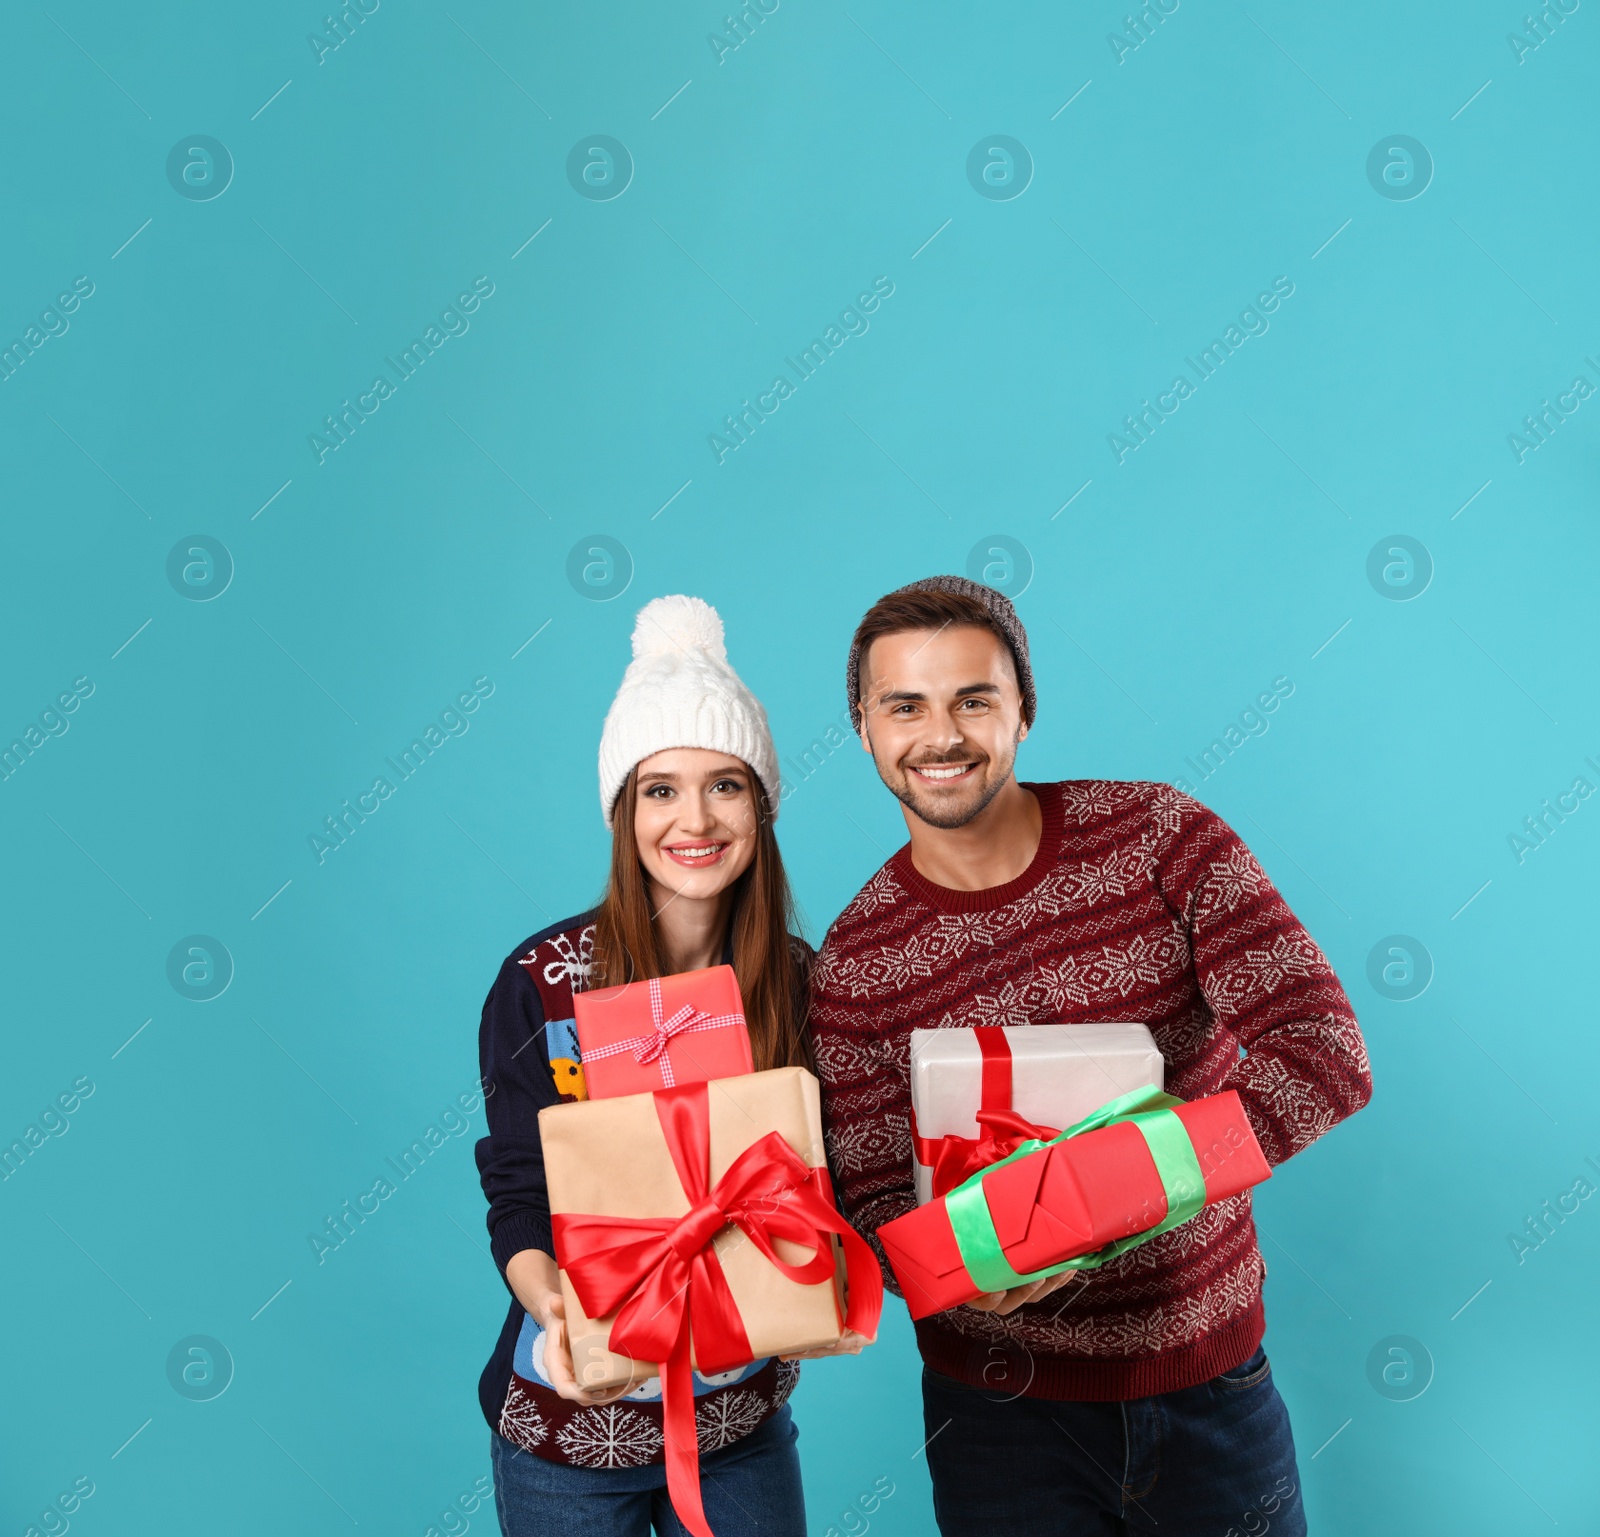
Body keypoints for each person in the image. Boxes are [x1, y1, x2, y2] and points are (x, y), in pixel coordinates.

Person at [809, 576, 1374, 1536]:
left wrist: (1110, 1192)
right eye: (904, 704)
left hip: (1208, 1386)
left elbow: (1323, 1052)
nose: (939, 734)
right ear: (862, 728)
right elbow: (869, 1206)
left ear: (1024, 709)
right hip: (997, 1421)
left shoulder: (1160, 836)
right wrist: (957, 1267)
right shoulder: (856, 962)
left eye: (973, 698)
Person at [475, 594, 828, 1537]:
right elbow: (517, 1180)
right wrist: (553, 1301)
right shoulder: (540, 983)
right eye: (660, 788)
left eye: (726, 784)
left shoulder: (799, 983)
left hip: (739, 1422)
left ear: (761, 803)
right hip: (570, 1427)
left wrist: (824, 1279)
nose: (694, 818)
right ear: (623, 809)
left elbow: (831, 1177)